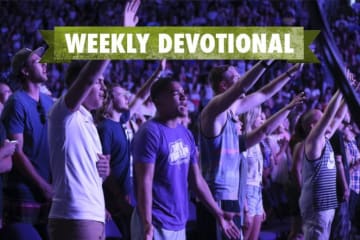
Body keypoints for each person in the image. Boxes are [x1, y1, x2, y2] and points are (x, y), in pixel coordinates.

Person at [47, 1, 140, 239]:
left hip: (95, 214)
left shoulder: (89, 122)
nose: (103, 86)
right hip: (74, 216)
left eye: (103, 82)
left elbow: (93, 172)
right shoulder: (64, 113)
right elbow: (88, 77)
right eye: (99, 82)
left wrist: (103, 170)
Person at [198, 61, 302, 239]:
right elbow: (242, 86)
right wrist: (266, 60)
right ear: (223, 85)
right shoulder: (213, 110)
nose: (241, 78)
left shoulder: (233, 113)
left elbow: (264, 95)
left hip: (231, 195)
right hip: (216, 197)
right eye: (236, 76)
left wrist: (290, 74)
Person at [131, 77, 241, 240]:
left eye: (184, 93)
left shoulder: (185, 133)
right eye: (176, 93)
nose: (184, 97)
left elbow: (196, 181)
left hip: (178, 222)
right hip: (155, 222)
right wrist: (147, 224)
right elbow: (144, 183)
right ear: (158, 101)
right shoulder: (150, 133)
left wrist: (218, 213)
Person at [97, 59, 165, 240]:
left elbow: (141, 97)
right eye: (121, 94)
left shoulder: (120, 121)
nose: (127, 97)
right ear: (110, 98)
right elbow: (104, 167)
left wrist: (157, 73)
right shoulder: (105, 128)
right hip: (114, 199)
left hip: (126, 194)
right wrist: (119, 196)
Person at [1, 47, 54, 240]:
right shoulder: (16, 102)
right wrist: (43, 186)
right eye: (37, 61)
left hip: (49, 192)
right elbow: (17, 151)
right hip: (25, 193)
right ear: (24, 71)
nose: (45, 64)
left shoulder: (49, 102)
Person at [240, 93, 304, 240]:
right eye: (260, 117)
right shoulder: (243, 141)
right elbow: (240, 176)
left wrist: (260, 203)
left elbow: (258, 176)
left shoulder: (259, 144)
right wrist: (245, 207)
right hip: (246, 192)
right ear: (251, 117)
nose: (264, 120)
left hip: (256, 191)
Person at [299, 90, 344, 240]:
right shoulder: (313, 142)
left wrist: (349, 93)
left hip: (326, 205)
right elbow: (331, 114)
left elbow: (337, 116)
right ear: (313, 126)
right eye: (322, 119)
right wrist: (340, 91)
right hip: (316, 206)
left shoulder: (324, 140)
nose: (328, 121)